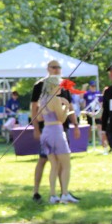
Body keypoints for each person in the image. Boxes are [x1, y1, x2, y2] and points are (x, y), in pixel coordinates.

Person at [30, 61, 74, 201]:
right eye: (54, 67)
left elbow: (40, 116)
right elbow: (60, 118)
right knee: (62, 163)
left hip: (47, 131)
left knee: (54, 164)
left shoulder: (44, 99)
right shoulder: (42, 87)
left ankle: (54, 194)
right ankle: (62, 193)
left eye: (58, 67)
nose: (57, 70)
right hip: (56, 131)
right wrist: (65, 107)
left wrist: (75, 124)